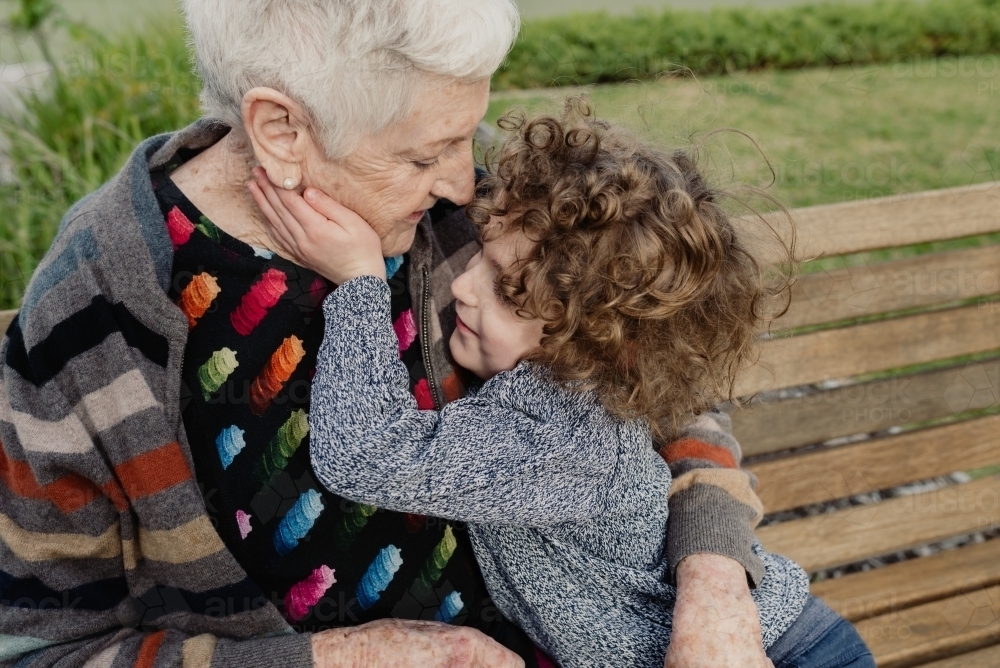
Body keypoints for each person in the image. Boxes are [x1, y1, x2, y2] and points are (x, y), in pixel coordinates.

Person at [1, 1, 793, 666]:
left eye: (465, 138)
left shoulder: (471, 209)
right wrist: (344, 658)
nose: (463, 182)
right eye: (428, 153)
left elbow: (653, 379)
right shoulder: (97, 310)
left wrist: (713, 578)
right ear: (281, 131)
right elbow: (40, 647)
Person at [250, 104, 877, 668]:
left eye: (506, 288)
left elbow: (366, 454)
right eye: (481, 257)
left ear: (593, 338)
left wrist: (359, 283)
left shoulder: (564, 438)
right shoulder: (565, 394)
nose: (464, 287)